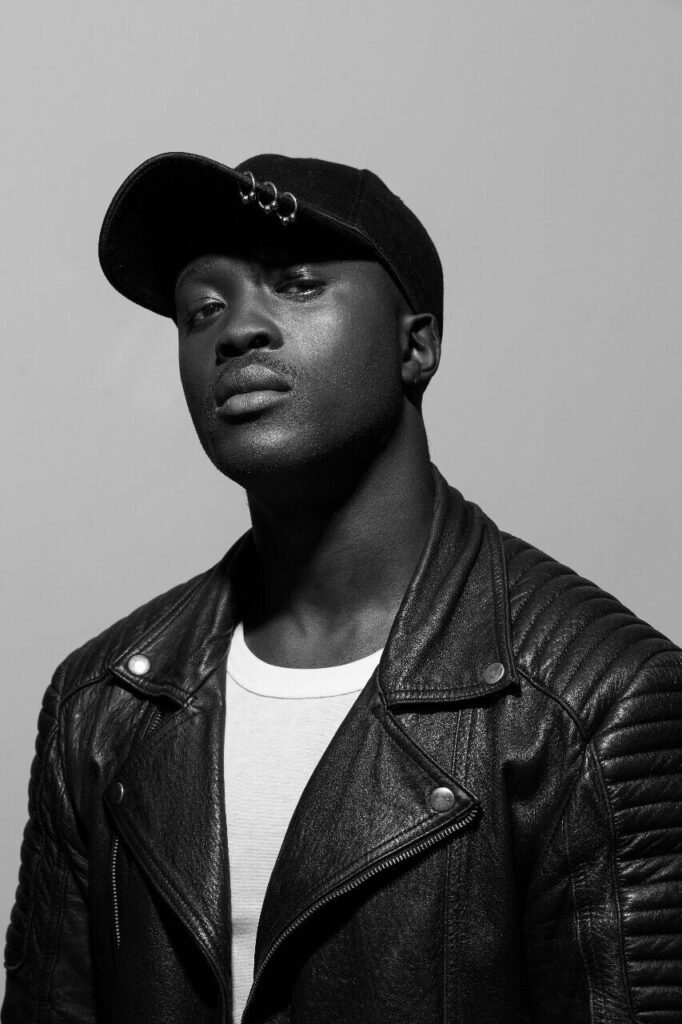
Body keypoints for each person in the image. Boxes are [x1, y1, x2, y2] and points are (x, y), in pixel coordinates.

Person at [2, 151, 681, 1024]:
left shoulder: (596, 701)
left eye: (298, 286)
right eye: (202, 309)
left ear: (415, 346)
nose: (237, 331)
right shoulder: (100, 707)